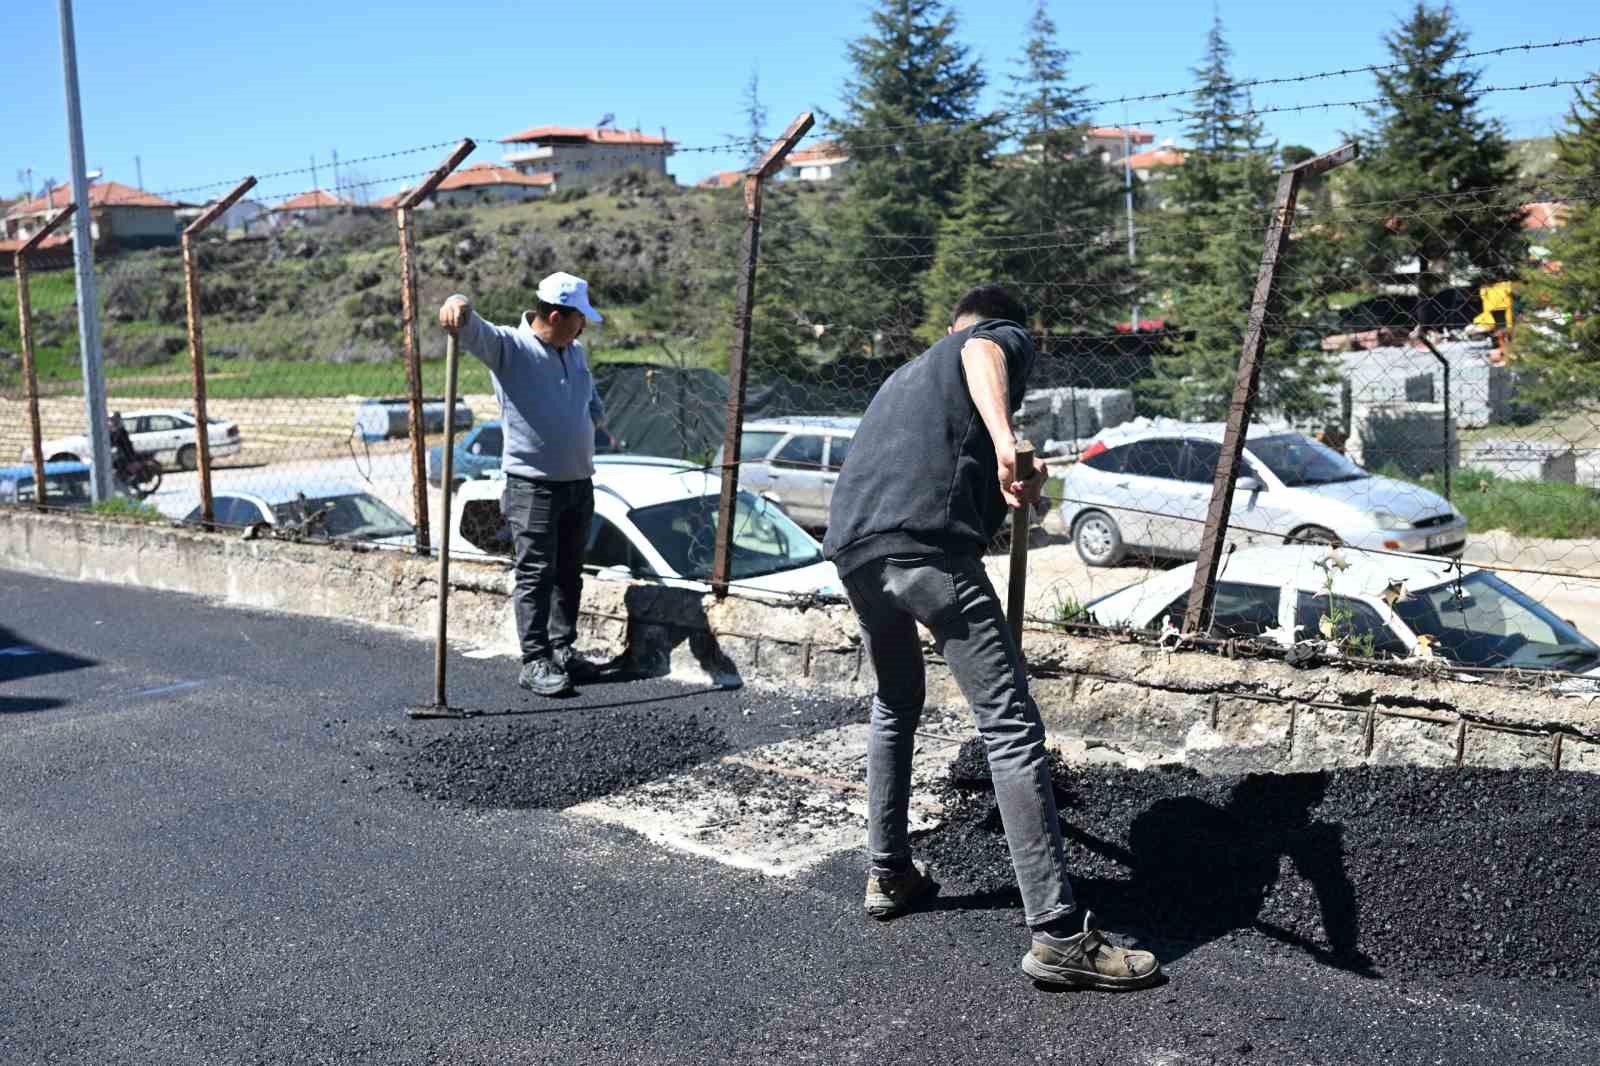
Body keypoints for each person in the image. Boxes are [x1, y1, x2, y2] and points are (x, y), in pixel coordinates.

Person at [823, 284, 1161, 992]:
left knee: (895, 704)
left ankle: (889, 873)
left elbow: (944, 468)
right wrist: (1008, 442)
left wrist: (1017, 482)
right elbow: (982, 349)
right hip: (926, 549)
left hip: (855, 550)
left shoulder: (903, 378)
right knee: (1010, 729)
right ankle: (1060, 935)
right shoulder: (990, 338)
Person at [438, 272, 609, 696]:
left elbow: (588, 397)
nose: (582, 326)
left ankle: (562, 649)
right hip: (532, 486)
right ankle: (535, 660)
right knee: (535, 573)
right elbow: (466, 322)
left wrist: (592, 415)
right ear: (556, 314)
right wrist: (457, 300)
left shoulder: (576, 350)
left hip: (577, 482)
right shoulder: (509, 347)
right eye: (578, 318)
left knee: (569, 574)